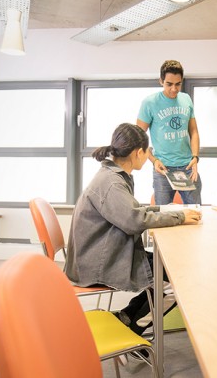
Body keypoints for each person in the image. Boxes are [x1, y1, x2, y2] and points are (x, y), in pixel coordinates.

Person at [65, 123, 202, 335]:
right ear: (139, 153)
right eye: (148, 152)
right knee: (176, 284)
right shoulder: (112, 182)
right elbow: (135, 221)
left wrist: (168, 209)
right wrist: (179, 216)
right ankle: (134, 329)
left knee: (168, 272)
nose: (148, 156)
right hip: (98, 262)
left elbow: (133, 209)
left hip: (102, 252)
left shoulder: (113, 175)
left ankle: (126, 317)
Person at [137, 60, 202, 205]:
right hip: (163, 169)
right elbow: (138, 137)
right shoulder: (149, 103)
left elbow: (194, 131)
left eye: (178, 84)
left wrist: (195, 157)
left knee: (196, 213)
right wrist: (154, 161)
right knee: (163, 217)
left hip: (187, 167)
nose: (174, 89)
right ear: (161, 81)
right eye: (169, 84)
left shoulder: (186, 99)